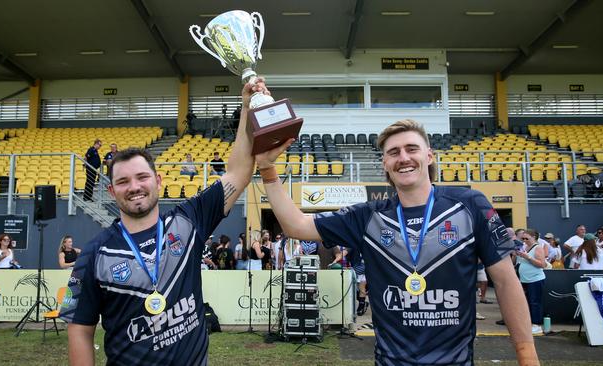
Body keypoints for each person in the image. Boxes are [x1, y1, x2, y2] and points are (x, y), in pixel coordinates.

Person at [255, 119, 539, 365]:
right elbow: (296, 225)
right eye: (393, 152)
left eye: (411, 149)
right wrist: (267, 169)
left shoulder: (468, 205)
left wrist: (527, 356)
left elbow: (505, 281)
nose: (403, 157)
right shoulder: (367, 217)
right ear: (385, 164)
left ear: (429, 156)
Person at [60, 78, 262, 365]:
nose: (134, 186)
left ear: (157, 180)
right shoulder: (95, 254)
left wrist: (245, 107)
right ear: (111, 190)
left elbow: (239, 173)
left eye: (142, 177)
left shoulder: (188, 221)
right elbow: (80, 330)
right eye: (123, 181)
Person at [515, 229, 546, 335]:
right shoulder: (525, 247)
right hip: (525, 279)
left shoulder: (538, 248)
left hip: (535, 279)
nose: (524, 240)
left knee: (535, 302)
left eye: (526, 238)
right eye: (523, 238)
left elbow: (542, 264)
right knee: (528, 302)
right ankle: (530, 323)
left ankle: (536, 325)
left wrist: (528, 257)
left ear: (534, 237)